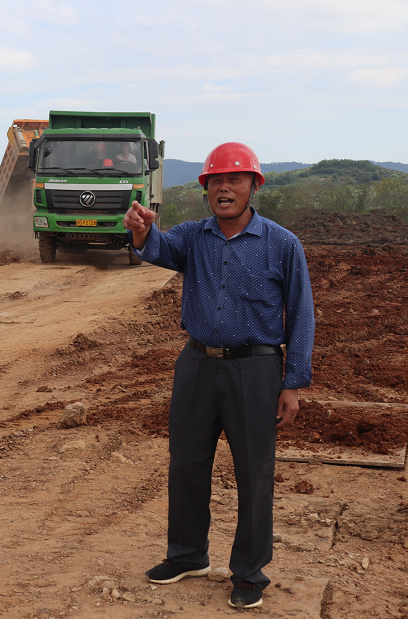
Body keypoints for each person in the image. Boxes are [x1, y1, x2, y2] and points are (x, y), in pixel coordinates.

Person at [122, 142, 315, 610]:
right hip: (196, 364)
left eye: (235, 180)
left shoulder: (282, 244)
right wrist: (144, 231)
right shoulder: (194, 237)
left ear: (253, 186)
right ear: (206, 188)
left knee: (253, 472)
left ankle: (249, 572)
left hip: (257, 370)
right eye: (216, 181)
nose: (224, 188)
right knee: (186, 462)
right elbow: (157, 249)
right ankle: (187, 554)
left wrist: (292, 382)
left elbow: (303, 314)